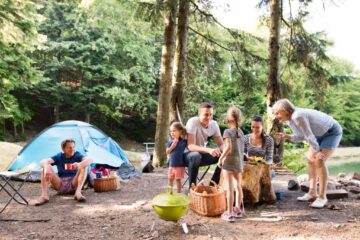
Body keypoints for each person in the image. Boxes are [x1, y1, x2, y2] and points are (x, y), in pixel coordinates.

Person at [273, 99, 342, 208]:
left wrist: (318, 151)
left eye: (277, 113)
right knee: (310, 160)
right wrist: (287, 136)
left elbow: (309, 136)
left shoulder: (298, 116)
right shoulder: (291, 120)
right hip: (318, 135)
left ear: (285, 110)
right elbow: (301, 136)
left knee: (319, 160)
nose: (276, 116)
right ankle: (312, 192)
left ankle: (322, 197)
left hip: (331, 132)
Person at [35, 139, 93, 206]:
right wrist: (46, 167)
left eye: (73, 147)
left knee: (84, 166)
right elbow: (43, 161)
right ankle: (44, 196)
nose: (72, 149)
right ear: (63, 149)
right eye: (69, 147)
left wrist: (80, 165)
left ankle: (78, 193)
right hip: (60, 184)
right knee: (44, 168)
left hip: (74, 184)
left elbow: (90, 159)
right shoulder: (59, 156)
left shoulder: (77, 155)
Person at [185, 102, 223, 188]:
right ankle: (192, 188)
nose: (209, 117)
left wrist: (224, 151)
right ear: (199, 114)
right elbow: (190, 146)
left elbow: (221, 144)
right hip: (187, 155)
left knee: (224, 156)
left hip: (201, 155)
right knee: (195, 155)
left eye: (211, 114)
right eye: (206, 114)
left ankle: (213, 185)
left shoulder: (214, 124)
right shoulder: (193, 122)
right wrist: (209, 150)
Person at [217, 107, 245, 222]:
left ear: (228, 118)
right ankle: (237, 210)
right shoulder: (241, 132)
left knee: (229, 188)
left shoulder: (227, 132)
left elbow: (228, 147)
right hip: (238, 162)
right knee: (238, 186)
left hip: (228, 162)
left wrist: (221, 158)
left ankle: (229, 213)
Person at [166, 122, 187, 193]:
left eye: (174, 131)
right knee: (170, 179)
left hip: (180, 165)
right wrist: (173, 146)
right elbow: (167, 151)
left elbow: (188, 136)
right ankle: (170, 193)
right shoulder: (170, 142)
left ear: (180, 131)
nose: (172, 133)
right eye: (171, 131)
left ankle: (178, 194)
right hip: (171, 165)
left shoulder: (183, 141)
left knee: (178, 180)